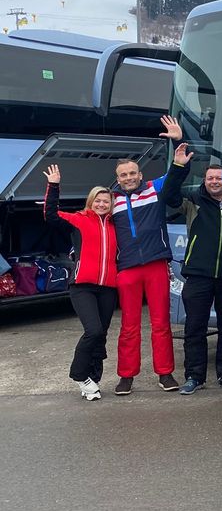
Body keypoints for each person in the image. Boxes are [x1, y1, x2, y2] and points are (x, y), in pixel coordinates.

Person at [161, 139, 222, 394]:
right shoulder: (193, 202)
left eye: (218, 178)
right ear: (204, 180)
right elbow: (168, 197)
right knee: (194, 328)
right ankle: (194, 377)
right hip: (197, 275)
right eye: (210, 178)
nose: (214, 182)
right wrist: (178, 166)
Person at [111, 115, 182, 395]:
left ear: (140, 174)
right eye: (123, 175)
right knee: (129, 325)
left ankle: (165, 374)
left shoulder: (154, 189)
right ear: (118, 180)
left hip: (155, 264)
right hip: (127, 267)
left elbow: (178, 172)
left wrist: (177, 139)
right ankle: (126, 375)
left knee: (160, 322)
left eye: (132, 173)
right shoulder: (111, 200)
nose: (129, 178)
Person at [43, 165, 117, 401]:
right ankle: (79, 375)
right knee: (92, 331)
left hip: (108, 287)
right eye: (98, 201)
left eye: (106, 201)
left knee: (101, 335)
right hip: (82, 286)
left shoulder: (116, 225)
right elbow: (51, 215)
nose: (102, 205)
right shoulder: (79, 220)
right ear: (91, 202)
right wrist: (53, 185)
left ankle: (93, 380)